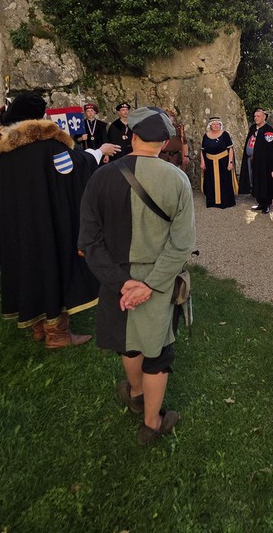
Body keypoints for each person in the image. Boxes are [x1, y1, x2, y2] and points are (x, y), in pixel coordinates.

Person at [79, 107, 196, 446]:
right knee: (157, 352)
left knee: (127, 341)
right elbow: (182, 243)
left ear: (131, 136)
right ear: (163, 143)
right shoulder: (178, 180)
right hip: (159, 281)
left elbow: (89, 241)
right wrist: (151, 285)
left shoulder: (100, 177)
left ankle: (135, 393)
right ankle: (152, 422)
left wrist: (122, 283)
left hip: (117, 281)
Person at [0, 93, 120, 348]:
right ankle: (57, 333)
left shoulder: (1, 147)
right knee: (51, 264)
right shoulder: (47, 145)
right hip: (46, 220)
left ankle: (37, 324)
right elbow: (71, 169)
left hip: (18, 222)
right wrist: (97, 152)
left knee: (28, 265)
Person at [238, 108, 273, 213]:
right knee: (255, 180)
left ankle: (266, 204)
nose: (256, 118)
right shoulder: (253, 128)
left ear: (264, 117)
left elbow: (271, 148)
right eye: (255, 116)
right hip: (251, 160)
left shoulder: (268, 130)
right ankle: (259, 202)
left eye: (258, 116)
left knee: (264, 182)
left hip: (264, 163)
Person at [200, 118, 237, 208]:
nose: (216, 126)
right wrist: (203, 162)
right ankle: (212, 202)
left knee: (224, 181)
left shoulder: (225, 135)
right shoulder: (206, 136)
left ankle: (225, 202)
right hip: (209, 163)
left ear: (220, 125)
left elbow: (230, 149)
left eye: (218, 124)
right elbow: (202, 150)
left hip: (223, 162)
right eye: (214, 124)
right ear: (210, 125)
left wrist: (230, 162)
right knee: (210, 182)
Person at [159, 108, 190, 173]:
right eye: (167, 116)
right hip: (162, 157)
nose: (169, 118)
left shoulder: (179, 129)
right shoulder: (160, 128)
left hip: (175, 158)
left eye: (170, 116)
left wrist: (185, 156)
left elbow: (184, 143)